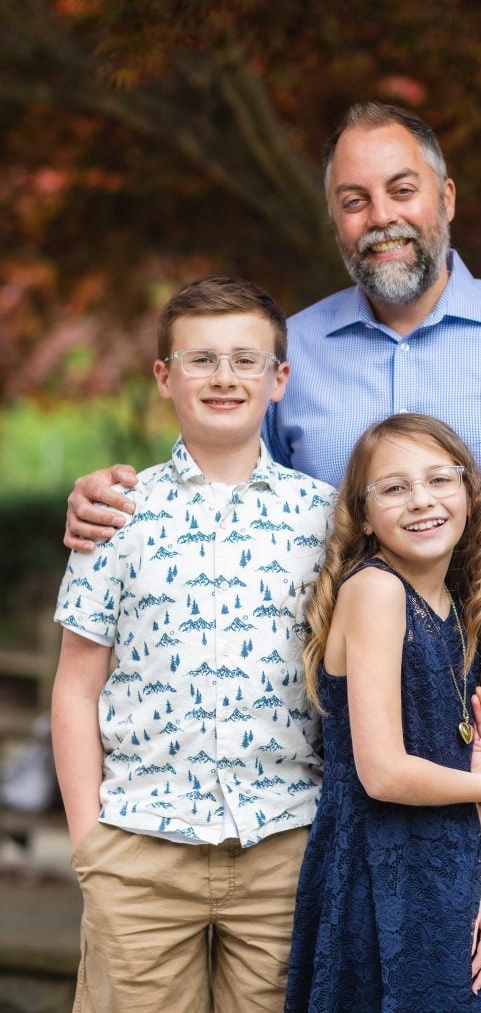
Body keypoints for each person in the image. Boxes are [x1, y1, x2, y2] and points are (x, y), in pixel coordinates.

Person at [63, 103, 481, 1013]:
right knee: (364, 964)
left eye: (401, 190)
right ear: (334, 218)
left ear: (445, 197)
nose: (381, 217)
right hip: (349, 715)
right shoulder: (293, 355)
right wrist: (109, 497)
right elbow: (227, 492)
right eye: (354, 200)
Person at [52, 276, 336, 1013]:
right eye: (201, 360)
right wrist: (93, 848)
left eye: (246, 361)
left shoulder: (325, 520)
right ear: (163, 377)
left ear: (279, 379)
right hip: (140, 846)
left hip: (283, 842)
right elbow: (76, 687)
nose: (223, 378)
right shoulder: (115, 512)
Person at [284, 413, 481, 1013]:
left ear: (468, 493)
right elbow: (383, 772)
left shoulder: (459, 604)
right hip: (382, 870)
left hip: (452, 868)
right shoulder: (377, 591)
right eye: (393, 488)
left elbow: (463, 773)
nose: (421, 501)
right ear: (364, 516)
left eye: (440, 479)